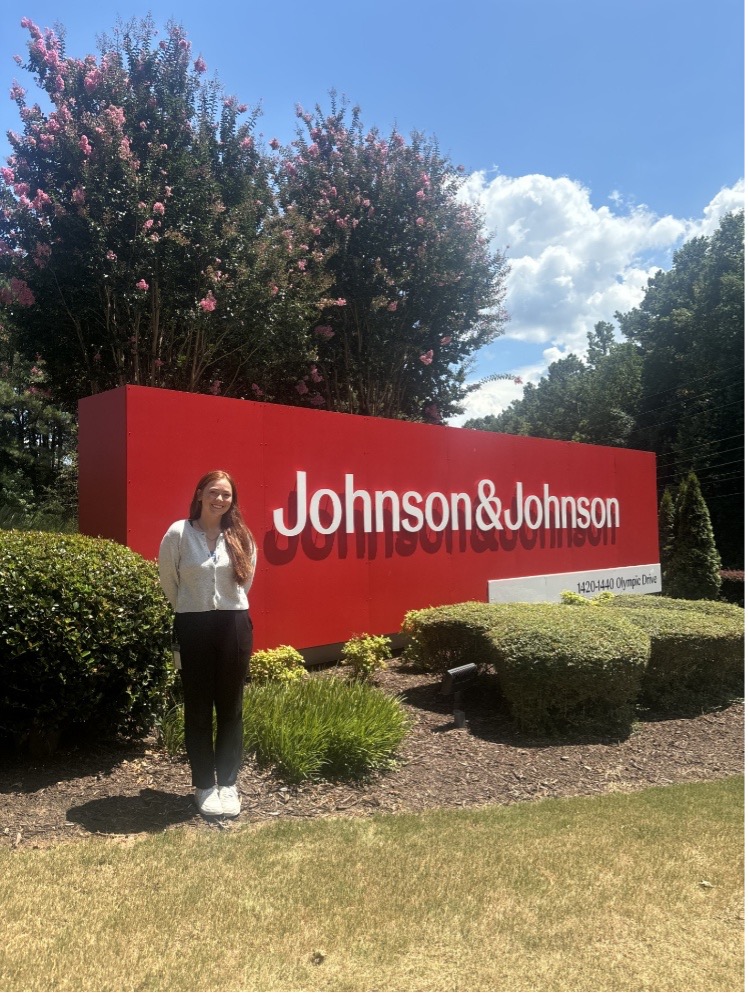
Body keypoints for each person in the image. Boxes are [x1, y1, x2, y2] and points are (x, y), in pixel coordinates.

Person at [158, 470, 256, 818]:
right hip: (193, 625)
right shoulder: (179, 533)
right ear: (200, 493)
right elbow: (170, 581)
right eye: (214, 492)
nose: (220, 499)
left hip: (233, 625)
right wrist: (191, 608)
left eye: (227, 495)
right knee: (198, 708)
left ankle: (228, 785)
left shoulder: (240, 535)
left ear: (232, 500)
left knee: (231, 708)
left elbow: (245, 583)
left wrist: (225, 608)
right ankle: (204, 785)